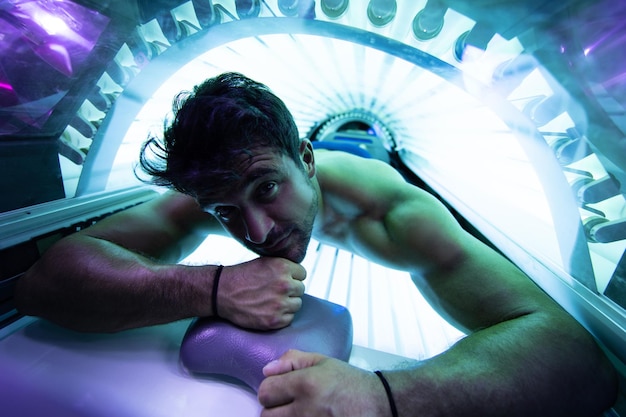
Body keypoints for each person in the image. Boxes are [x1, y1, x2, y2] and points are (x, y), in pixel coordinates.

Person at [16, 72, 617, 416]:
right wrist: (211, 285)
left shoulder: (396, 211)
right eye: (225, 212)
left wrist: (384, 397)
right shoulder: (217, 185)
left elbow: (580, 361)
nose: (255, 233)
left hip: (370, 152)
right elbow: (43, 283)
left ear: (307, 158)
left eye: (267, 187)